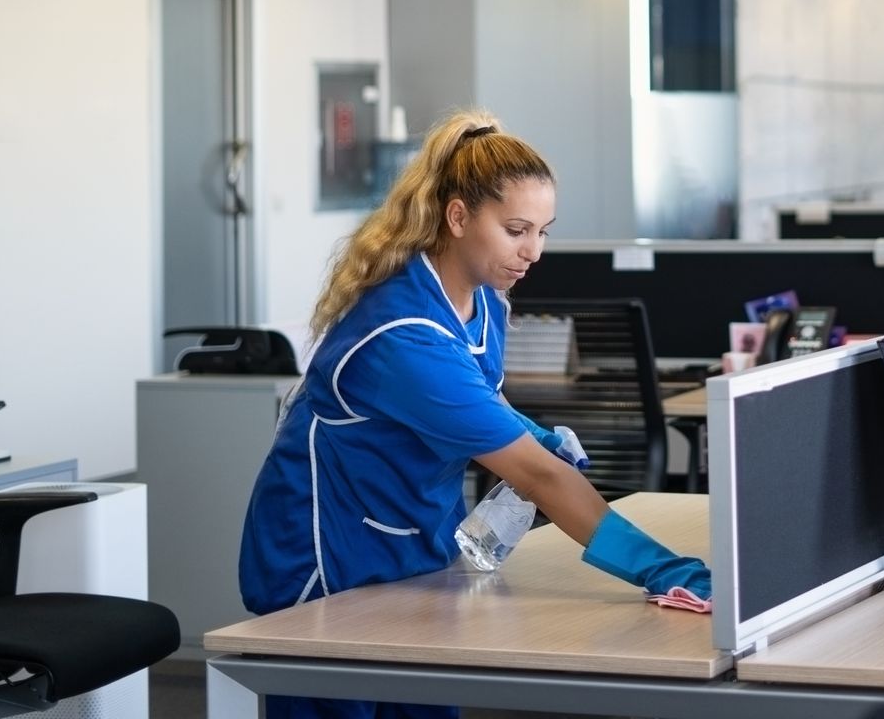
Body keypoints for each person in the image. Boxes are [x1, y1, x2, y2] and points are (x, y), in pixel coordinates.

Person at [239, 110, 709, 719]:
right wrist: (665, 571)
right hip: (332, 563)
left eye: (543, 231)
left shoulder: (483, 298)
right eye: (516, 229)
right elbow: (538, 478)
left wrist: (530, 432)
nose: (533, 251)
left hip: (415, 546)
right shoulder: (402, 336)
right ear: (458, 216)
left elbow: (477, 396)